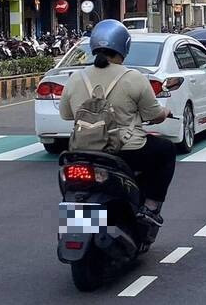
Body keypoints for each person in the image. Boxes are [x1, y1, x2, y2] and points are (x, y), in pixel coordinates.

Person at [59, 19, 175, 227]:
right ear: (124, 46)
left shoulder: (76, 78)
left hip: (84, 151)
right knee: (165, 150)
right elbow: (153, 114)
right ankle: (151, 207)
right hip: (125, 150)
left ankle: (81, 223)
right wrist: (165, 113)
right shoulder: (134, 77)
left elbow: (66, 115)